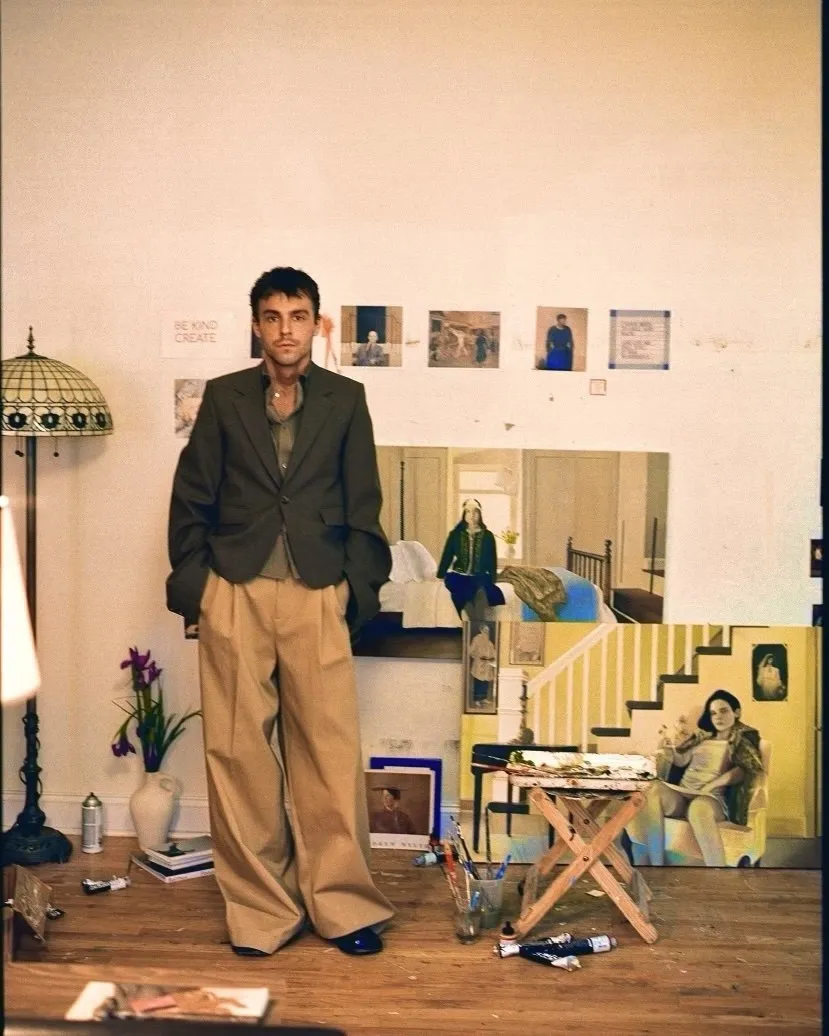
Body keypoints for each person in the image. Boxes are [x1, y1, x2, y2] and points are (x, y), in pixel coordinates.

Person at [166, 266, 394, 958]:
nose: (284, 329)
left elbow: (365, 502)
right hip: (234, 587)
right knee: (238, 756)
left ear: (315, 324)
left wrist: (356, 587)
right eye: (271, 316)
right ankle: (261, 913)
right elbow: (191, 495)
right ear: (257, 325)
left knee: (327, 753)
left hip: (316, 588)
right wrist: (197, 585)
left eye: (297, 315)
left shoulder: (346, 399)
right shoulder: (226, 398)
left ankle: (344, 908)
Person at [627, 690, 764, 867]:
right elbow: (682, 760)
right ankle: (657, 866)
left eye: (724, 711)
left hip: (711, 797)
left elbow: (744, 770)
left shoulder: (742, 739)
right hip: (684, 793)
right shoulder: (702, 738)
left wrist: (714, 784)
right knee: (653, 789)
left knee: (698, 809)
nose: (718, 717)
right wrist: (668, 747)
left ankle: (717, 873)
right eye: (713, 713)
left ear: (736, 712)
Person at [436, 498, 506, 620]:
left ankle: (473, 622)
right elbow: (447, 555)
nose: (472, 515)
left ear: (480, 514)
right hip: (459, 575)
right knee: (457, 588)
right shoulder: (455, 534)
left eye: (475, 512)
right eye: (468, 512)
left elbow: (492, 560)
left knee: (482, 592)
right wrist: (440, 574)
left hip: (480, 576)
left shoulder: (488, 536)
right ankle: (469, 618)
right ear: (464, 514)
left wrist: (493, 578)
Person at [468, 623, 497, 706]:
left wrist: (492, 658)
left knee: (485, 682)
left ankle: (483, 698)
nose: (486, 632)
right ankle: (477, 699)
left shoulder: (489, 642)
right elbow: (471, 651)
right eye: (485, 630)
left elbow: (493, 653)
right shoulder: (476, 639)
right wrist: (479, 657)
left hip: (487, 665)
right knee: (478, 681)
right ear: (481, 630)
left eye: (487, 630)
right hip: (479, 664)